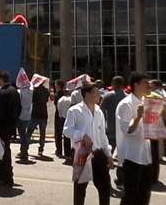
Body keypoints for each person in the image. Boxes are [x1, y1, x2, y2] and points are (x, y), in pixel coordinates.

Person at [63, 83, 112, 205]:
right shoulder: (74, 110)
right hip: (81, 153)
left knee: (105, 187)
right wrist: (81, 135)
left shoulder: (99, 111)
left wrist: (108, 155)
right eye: (96, 93)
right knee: (80, 188)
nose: (99, 95)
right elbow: (66, 130)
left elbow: (102, 135)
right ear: (87, 94)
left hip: (98, 153)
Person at [116, 72, 153, 205]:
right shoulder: (126, 104)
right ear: (136, 84)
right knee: (130, 197)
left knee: (144, 196)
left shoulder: (145, 102)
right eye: (146, 83)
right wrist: (137, 117)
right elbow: (127, 130)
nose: (149, 86)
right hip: (131, 157)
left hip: (144, 155)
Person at [0, 71, 21, 186]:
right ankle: (6, 176)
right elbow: (19, 108)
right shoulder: (15, 91)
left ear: (2, 79)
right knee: (6, 150)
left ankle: (2, 175)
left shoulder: (2, 92)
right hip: (11, 126)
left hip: (2, 126)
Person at [100, 76, 126, 154]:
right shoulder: (127, 96)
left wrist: (102, 124)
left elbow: (101, 111)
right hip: (124, 127)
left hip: (111, 126)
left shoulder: (108, 96)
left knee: (109, 148)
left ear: (113, 84)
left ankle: (108, 162)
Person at [27, 84, 50, 156]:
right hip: (44, 114)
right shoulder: (46, 91)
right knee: (42, 133)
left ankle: (25, 148)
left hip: (35, 114)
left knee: (29, 132)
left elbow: (32, 101)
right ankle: (41, 150)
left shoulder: (35, 91)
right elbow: (46, 100)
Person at [17, 85, 33, 161]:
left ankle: (24, 152)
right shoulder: (31, 91)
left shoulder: (20, 92)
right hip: (28, 115)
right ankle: (24, 150)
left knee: (22, 136)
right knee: (25, 135)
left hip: (20, 115)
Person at [57, 91, 73, 161]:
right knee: (70, 137)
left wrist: (60, 116)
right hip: (69, 118)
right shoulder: (70, 100)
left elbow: (59, 110)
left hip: (62, 118)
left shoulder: (60, 100)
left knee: (65, 136)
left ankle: (66, 153)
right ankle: (70, 152)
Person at [54, 79, 67, 158]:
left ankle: (59, 150)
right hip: (65, 114)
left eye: (56, 84)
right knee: (65, 134)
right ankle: (66, 151)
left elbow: (56, 106)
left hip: (58, 114)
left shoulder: (57, 94)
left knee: (58, 133)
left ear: (58, 85)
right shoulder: (65, 93)